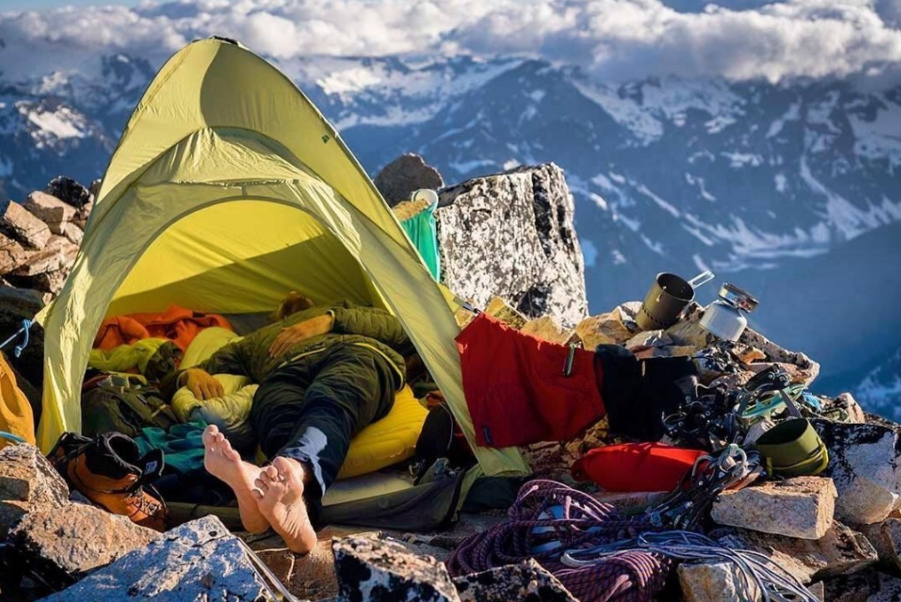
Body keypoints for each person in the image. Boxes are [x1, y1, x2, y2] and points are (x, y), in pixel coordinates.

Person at [163, 296, 414, 553]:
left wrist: (328, 320)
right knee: (277, 418)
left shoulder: (340, 310)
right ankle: (287, 507)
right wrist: (189, 373)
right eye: (287, 298)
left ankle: (288, 472)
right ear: (276, 315)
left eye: (301, 296)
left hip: (352, 352)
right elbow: (172, 379)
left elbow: (400, 331)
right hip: (282, 375)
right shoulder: (250, 343)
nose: (295, 296)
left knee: (329, 402)